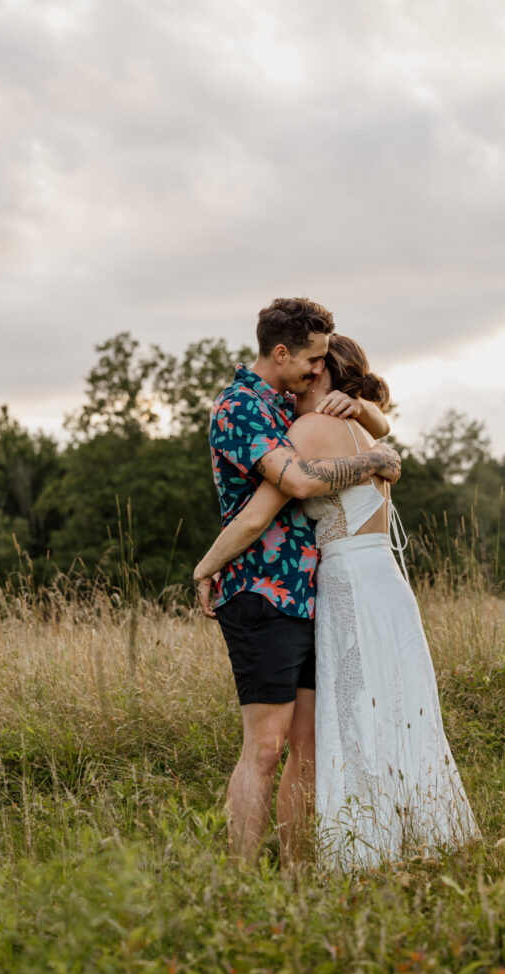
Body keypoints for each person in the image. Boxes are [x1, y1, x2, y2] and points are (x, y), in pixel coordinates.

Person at [195, 332, 481, 869]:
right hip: (387, 583)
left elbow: (258, 514)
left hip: (345, 583)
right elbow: (382, 435)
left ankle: (351, 849)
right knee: (388, 714)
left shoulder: (307, 429)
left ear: (326, 378)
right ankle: (397, 839)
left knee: (347, 720)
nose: (306, 376)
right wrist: (376, 425)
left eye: (315, 367)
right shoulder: (367, 437)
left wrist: (205, 566)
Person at [199, 299, 401, 866]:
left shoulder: (286, 402)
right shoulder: (238, 408)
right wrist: (206, 566)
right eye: (311, 359)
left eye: (322, 363)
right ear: (281, 352)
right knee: (264, 748)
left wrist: (366, 414)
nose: (317, 370)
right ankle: (238, 877)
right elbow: (294, 487)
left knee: (307, 749)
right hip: (262, 591)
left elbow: (378, 416)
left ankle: (296, 874)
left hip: (311, 593)